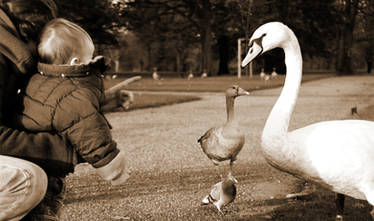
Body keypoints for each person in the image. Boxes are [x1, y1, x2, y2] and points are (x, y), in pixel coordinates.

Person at [0, 1, 131, 220]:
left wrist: (102, 101)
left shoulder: (19, 60)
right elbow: (88, 129)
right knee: (27, 179)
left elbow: (48, 106)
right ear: (28, 29)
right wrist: (67, 152)